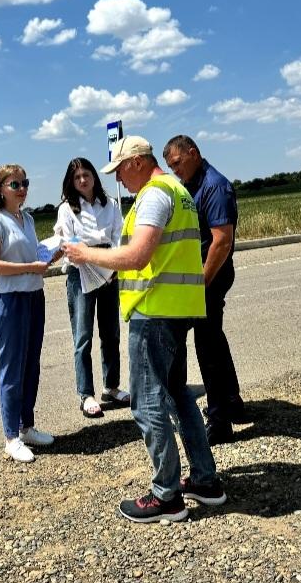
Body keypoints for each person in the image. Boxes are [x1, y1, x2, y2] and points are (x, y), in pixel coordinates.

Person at [64, 136, 227, 523]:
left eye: (120, 169)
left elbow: (137, 256)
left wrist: (85, 253)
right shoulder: (178, 190)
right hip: (177, 308)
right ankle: (205, 480)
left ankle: (166, 495)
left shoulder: (155, 194)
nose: (118, 178)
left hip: (153, 313)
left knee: (147, 402)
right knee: (177, 395)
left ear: (137, 162)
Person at [162, 135, 245, 445]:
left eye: (177, 163)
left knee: (207, 347)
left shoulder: (214, 185)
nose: (175, 171)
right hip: (201, 277)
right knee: (214, 340)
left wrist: (200, 285)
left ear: (193, 153)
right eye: (170, 167)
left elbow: (221, 241)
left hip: (211, 275)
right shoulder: (192, 184)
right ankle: (233, 402)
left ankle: (219, 420)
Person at [0, 164, 56, 463]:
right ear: (0, 189)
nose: (21, 188)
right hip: (9, 300)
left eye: (24, 182)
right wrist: (29, 268)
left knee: (31, 364)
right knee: (12, 368)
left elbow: (33, 256)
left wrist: (50, 255)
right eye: (14, 184)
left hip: (34, 295)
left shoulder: (28, 218)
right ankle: (11, 436)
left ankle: (27, 426)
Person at [54, 157, 129, 419]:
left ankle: (112, 386)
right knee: (83, 336)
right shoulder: (67, 209)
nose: (83, 180)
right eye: (77, 177)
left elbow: (119, 235)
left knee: (111, 332)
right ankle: (86, 394)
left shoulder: (110, 205)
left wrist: (115, 264)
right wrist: (87, 255)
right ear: (71, 182)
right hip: (81, 271)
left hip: (108, 268)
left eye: (86, 174)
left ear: (94, 177)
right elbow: (68, 240)